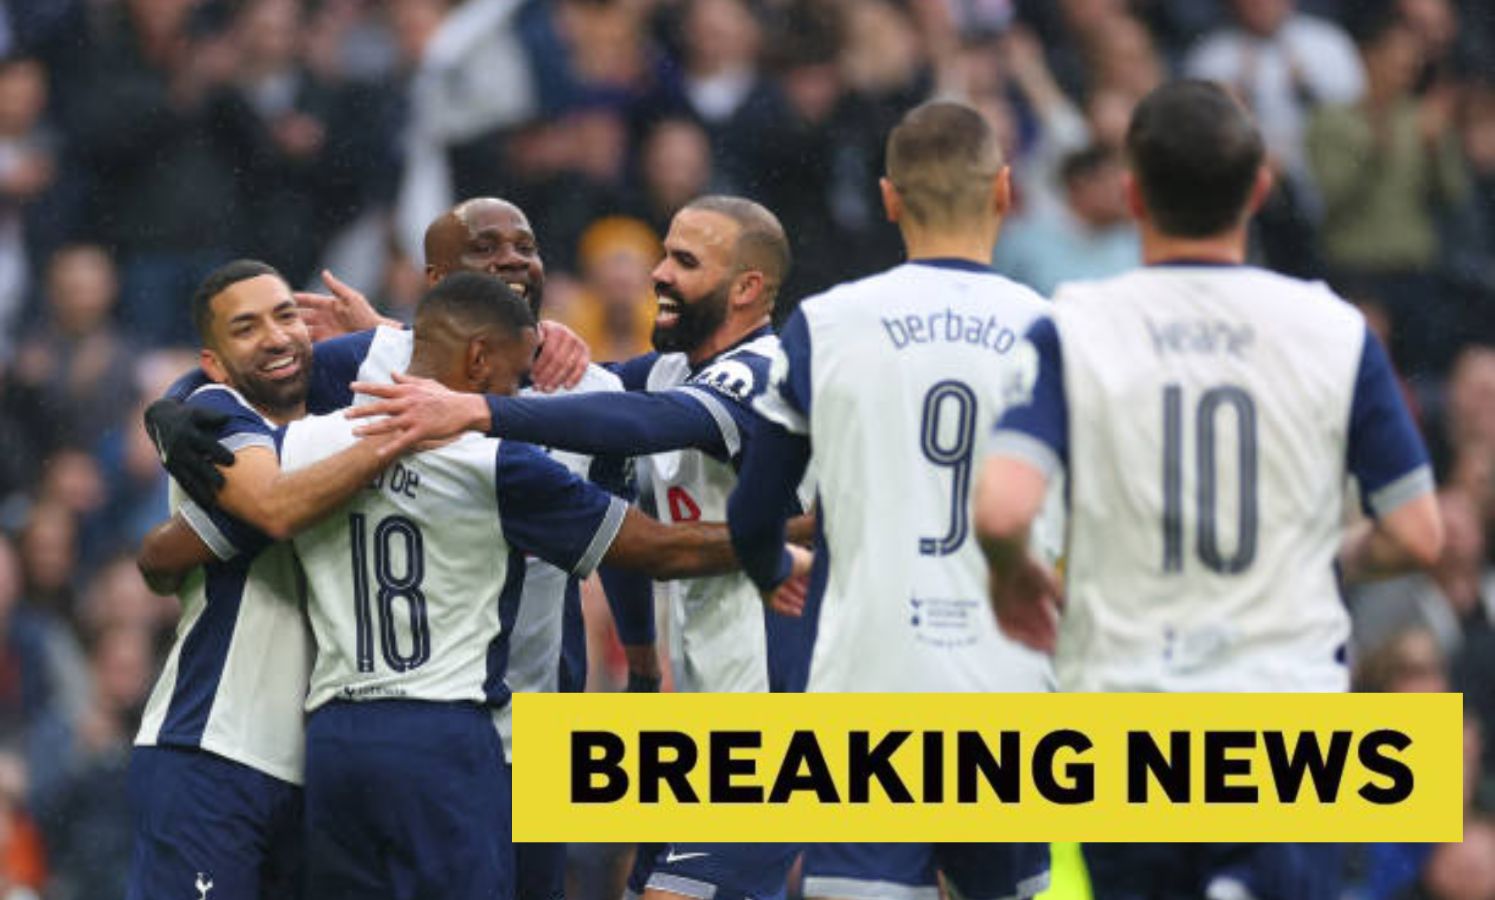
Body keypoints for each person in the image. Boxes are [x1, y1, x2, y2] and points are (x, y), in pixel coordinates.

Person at [974, 79, 1444, 900]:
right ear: (1259, 190)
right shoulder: (1335, 330)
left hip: (1129, 718)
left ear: (1131, 193)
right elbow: (1416, 534)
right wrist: (1323, 560)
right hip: (1281, 719)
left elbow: (1004, 507)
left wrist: (1011, 572)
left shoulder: (1077, 324)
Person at [143, 197, 654, 900]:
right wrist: (172, 410)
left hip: (536, 723)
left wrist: (645, 657)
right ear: (437, 278)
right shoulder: (369, 365)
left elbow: (629, 529)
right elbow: (242, 386)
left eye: (524, 245)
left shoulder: (591, 386)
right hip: (419, 722)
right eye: (484, 249)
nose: (510, 259)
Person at [273, 271, 806, 899]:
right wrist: (771, 540)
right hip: (454, 735)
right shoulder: (499, 461)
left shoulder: (307, 443)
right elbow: (654, 550)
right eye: (514, 375)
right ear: (478, 357)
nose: (520, 392)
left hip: (335, 737)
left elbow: (224, 471)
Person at [726, 100, 1055, 900]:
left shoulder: (827, 324)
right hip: (1009, 691)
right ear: (1004, 191)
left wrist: (771, 564)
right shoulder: (1057, 330)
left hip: (869, 688)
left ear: (887, 198)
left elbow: (752, 510)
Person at [128, 259, 420, 900]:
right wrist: (392, 440)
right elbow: (275, 509)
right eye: (246, 327)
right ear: (214, 361)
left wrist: (382, 331)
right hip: (213, 746)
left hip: (321, 769)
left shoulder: (325, 416)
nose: (277, 336)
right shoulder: (214, 410)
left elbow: (459, 368)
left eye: (286, 315)